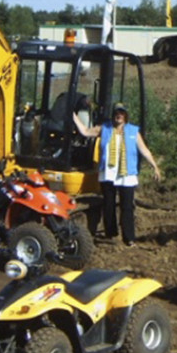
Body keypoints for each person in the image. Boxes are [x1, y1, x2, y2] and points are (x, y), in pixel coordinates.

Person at [73, 102, 161, 246]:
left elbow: (144, 150)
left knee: (127, 206)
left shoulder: (133, 131)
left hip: (127, 175)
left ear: (125, 115)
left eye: (121, 113)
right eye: (116, 113)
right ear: (113, 115)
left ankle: (129, 237)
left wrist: (155, 166)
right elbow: (86, 132)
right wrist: (74, 117)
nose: (118, 116)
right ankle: (111, 234)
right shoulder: (105, 128)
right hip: (108, 173)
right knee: (109, 205)